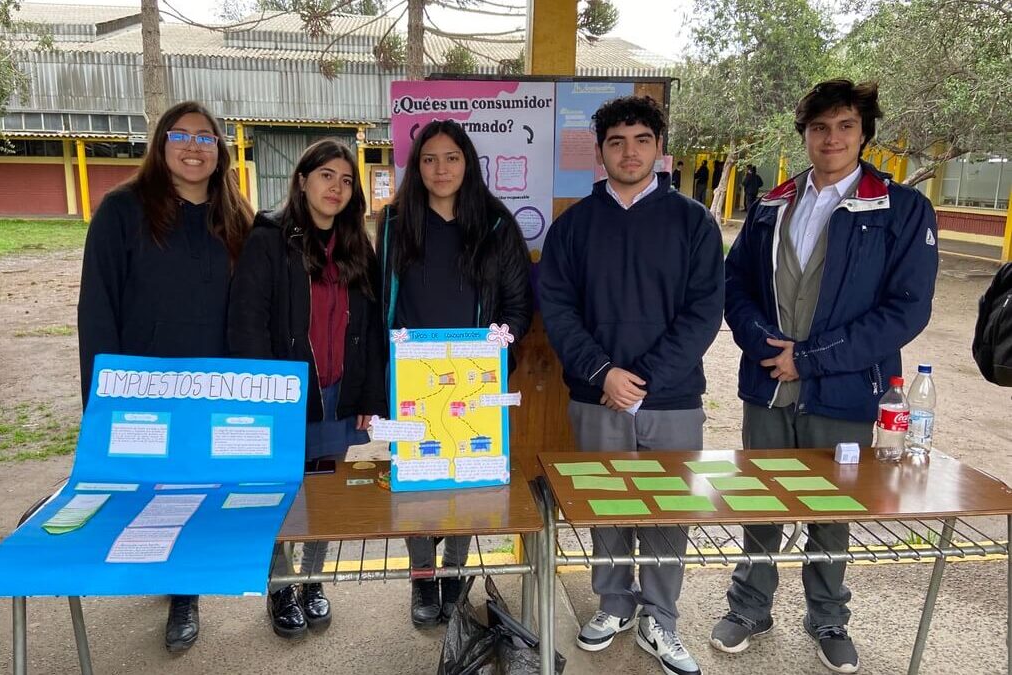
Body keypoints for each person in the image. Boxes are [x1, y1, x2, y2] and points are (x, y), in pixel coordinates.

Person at [715, 79, 938, 674]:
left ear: (864, 133)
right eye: (819, 128)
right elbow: (733, 283)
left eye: (844, 126)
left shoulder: (900, 208)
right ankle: (749, 605)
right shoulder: (772, 203)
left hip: (844, 388)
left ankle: (828, 614)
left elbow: (906, 309)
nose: (831, 138)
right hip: (767, 382)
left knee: (831, 505)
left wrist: (809, 359)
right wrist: (765, 345)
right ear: (805, 135)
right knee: (760, 495)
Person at [538, 95, 724, 675]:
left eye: (642, 140)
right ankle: (613, 604)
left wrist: (644, 380)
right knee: (608, 505)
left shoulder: (693, 222)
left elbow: (703, 313)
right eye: (616, 142)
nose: (629, 151)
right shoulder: (574, 226)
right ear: (600, 152)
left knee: (670, 512)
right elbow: (558, 309)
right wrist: (603, 374)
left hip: (671, 398)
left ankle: (661, 620)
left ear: (659, 148)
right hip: (597, 396)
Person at [77, 100, 254, 653]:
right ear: (161, 144)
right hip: (145, 384)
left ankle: (185, 590)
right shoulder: (121, 210)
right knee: (154, 489)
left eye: (206, 137)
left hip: (215, 385)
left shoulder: (238, 217)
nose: (194, 146)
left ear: (220, 150)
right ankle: (170, 579)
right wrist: (101, 394)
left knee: (199, 488)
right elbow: (97, 307)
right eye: (181, 135)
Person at [376, 119, 533, 628]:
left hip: (475, 380)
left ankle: (454, 575)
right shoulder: (394, 223)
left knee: (467, 474)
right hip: (411, 382)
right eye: (429, 159)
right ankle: (422, 581)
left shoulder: (495, 224)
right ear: (416, 166)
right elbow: (380, 302)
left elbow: (517, 306)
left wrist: (495, 352)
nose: (440, 169)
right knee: (417, 480)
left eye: (451, 158)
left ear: (468, 163)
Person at [227, 139, 386, 639]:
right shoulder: (269, 239)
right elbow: (248, 323)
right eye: (325, 176)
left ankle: (313, 580)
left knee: (324, 494)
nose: (335, 187)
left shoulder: (358, 244)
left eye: (345, 180)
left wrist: (368, 398)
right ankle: (280, 586)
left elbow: (373, 328)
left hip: (340, 395)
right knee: (278, 493)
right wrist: (265, 399)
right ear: (302, 181)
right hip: (286, 398)